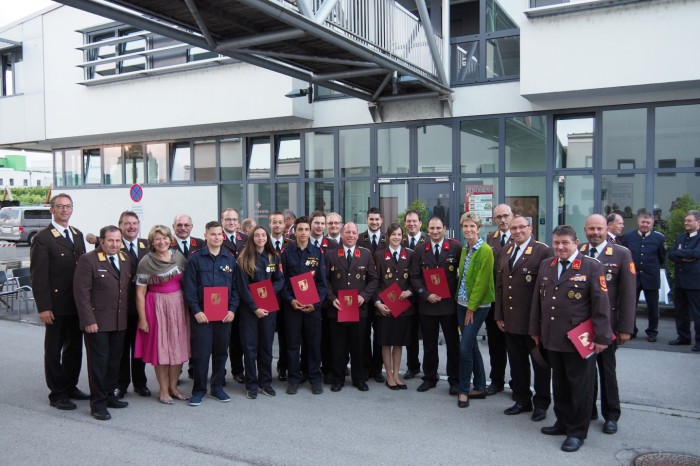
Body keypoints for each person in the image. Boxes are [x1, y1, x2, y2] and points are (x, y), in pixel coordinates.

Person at [530, 225, 612, 453]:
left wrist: (602, 336)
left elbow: (601, 305)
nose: (560, 247)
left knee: (580, 387)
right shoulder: (547, 265)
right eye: (556, 242)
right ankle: (563, 422)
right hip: (552, 337)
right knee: (560, 384)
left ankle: (577, 431)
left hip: (580, 339)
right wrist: (535, 331)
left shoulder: (591, 266)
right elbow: (538, 301)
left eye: (565, 242)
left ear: (576, 243)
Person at [30, 193, 89, 411]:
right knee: (54, 350)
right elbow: (38, 276)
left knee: (74, 348)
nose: (65, 210)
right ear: (51, 209)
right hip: (55, 304)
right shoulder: (43, 238)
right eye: (60, 206)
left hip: (76, 304)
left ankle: (70, 385)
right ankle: (57, 393)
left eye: (68, 206)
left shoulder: (77, 234)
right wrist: (44, 307)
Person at [580, 214, 636, 434]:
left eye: (599, 229)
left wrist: (625, 328)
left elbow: (628, 294)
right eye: (591, 229)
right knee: (585, 371)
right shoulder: (581, 252)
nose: (595, 233)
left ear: (607, 229)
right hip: (583, 327)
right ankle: (589, 409)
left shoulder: (621, 254)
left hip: (608, 326)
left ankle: (611, 414)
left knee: (607, 370)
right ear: (585, 230)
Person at [494, 215, 552, 420]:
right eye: (514, 228)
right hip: (510, 320)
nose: (517, 231)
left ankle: (542, 403)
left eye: (521, 227)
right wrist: (499, 315)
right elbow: (500, 285)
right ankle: (522, 400)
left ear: (530, 228)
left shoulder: (543, 251)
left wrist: (542, 321)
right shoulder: (506, 250)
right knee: (517, 363)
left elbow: (547, 289)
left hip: (532, 321)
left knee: (540, 364)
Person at [73, 225, 130, 420]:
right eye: (111, 240)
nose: (114, 244)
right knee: (99, 363)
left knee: (114, 362)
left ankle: (109, 396)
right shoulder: (88, 260)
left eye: (117, 240)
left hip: (119, 322)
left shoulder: (124, 258)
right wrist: (88, 320)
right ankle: (98, 404)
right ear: (102, 241)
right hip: (97, 323)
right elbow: (81, 294)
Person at [183, 221, 240, 406]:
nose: (217, 237)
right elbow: (189, 289)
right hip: (203, 316)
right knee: (201, 354)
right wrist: (196, 311)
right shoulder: (195, 258)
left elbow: (236, 289)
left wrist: (232, 309)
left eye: (219, 234)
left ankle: (217, 388)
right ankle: (199, 390)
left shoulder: (230, 259)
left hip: (224, 316)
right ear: (206, 235)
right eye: (213, 234)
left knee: (221, 353)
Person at [134, 225, 191, 405]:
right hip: (156, 306)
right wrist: (143, 319)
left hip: (179, 306)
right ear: (152, 242)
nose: (162, 241)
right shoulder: (145, 262)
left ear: (170, 239)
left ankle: (174, 387)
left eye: (165, 238)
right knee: (162, 350)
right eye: (157, 239)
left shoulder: (178, 257)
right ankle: (163, 390)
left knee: (178, 348)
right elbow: (140, 293)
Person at [410, 216, 462, 395]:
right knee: (430, 344)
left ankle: (454, 380)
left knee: (453, 344)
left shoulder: (455, 247)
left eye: (438, 228)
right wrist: (426, 295)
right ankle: (430, 377)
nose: (435, 231)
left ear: (444, 228)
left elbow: (461, 275)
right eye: (432, 228)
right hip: (428, 305)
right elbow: (414, 277)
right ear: (427, 229)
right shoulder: (419, 249)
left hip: (449, 306)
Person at [325, 222, 379, 392]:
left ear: (357, 235)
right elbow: (324, 280)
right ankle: (338, 378)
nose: (350, 235)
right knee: (338, 346)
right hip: (338, 309)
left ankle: (359, 378)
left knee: (359, 346)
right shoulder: (331, 254)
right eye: (347, 232)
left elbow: (374, 279)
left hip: (359, 309)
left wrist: (364, 296)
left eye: (353, 232)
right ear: (341, 235)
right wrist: (332, 298)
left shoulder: (365, 254)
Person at [280, 216, 328, 395]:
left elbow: (322, 284)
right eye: (300, 229)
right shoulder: (286, 253)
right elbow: (282, 281)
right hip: (293, 307)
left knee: (313, 344)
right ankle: (293, 378)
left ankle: (315, 377)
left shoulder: (317, 253)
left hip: (312, 308)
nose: (303, 233)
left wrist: (315, 304)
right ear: (295, 231)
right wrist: (291, 300)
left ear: (310, 231)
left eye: (306, 230)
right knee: (293, 345)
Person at [237, 226, 284, 399]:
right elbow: (242, 288)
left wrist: (271, 291)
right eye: (257, 235)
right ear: (252, 238)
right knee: (250, 349)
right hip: (250, 311)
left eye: (263, 235)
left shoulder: (273, 257)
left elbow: (280, 280)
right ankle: (251, 384)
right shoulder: (244, 259)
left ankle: (265, 382)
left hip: (269, 308)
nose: (260, 238)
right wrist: (255, 307)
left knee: (266, 347)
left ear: (267, 237)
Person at [454, 213, 495, 408]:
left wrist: (471, 308)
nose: (468, 230)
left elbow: (482, 282)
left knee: (464, 347)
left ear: (479, 229)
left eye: (472, 226)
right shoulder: (465, 249)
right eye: (465, 226)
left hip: (477, 307)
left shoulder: (485, 250)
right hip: (461, 304)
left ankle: (464, 389)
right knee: (472, 346)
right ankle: (480, 386)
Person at [373, 223, 414, 390]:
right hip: (386, 307)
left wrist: (411, 291)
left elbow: (416, 277)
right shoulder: (379, 255)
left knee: (399, 342)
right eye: (393, 234)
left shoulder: (410, 254)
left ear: (402, 236)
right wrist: (377, 303)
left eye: (399, 234)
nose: (396, 237)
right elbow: (374, 281)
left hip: (404, 307)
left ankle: (396, 374)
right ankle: (388, 375)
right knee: (386, 342)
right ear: (387, 237)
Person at [115, 211, 151, 399]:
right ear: (120, 225)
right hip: (120, 306)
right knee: (121, 348)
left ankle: (140, 383)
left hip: (142, 307)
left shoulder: (146, 245)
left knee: (139, 347)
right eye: (127, 223)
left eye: (135, 223)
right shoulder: (113, 244)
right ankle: (121, 384)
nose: (131, 227)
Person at [622, 211, 666, 342]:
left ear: (652, 223)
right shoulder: (629, 237)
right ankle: (631, 330)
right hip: (633, 277)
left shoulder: (659, 238)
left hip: (651, 277)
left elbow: (662, 257)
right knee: (630, 306)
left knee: (653, 307)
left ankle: (652, 332)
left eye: (648, 222)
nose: (645, 225)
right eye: (643, 222)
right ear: (638, 222)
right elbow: (624, 257)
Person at [485, 203, 512, 396]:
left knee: (516, 347)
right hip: (495, 301)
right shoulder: (489, 239)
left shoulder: (523, 237)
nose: (502, 220)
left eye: (505, 216)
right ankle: (496, 380)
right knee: (495, 345)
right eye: (499, 217)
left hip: (515, 303)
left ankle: (519, 383)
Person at [358, 207, 386, 383]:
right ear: (367, 220)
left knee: (380, 334)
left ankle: (377, 369)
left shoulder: (388, 239)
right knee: (363, 334)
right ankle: (365, 367)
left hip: (383, 295)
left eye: (377, 219)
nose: (374, 222)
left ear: (381, 221)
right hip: (362, 294)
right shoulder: (359, 238)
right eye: (371, 219)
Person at [221, 208, 248, 385]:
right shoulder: (217, 237)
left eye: (234, 219)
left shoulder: (245, 239)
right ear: (222, 221)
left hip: (244, 294)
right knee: (222, 339)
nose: (231, 222)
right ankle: (219, 373)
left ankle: (238, 370)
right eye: (228, 219)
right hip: (223, 294)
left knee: (239, 336)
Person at [667, 210, 700, 351]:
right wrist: (685, 256)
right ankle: (683, 337)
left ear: (698, 222)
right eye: (685, 220)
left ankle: (699, 341)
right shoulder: (681, 237)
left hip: (695, 281)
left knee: (697, 313)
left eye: (689, 220)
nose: (686, 223)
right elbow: (671, 254)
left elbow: (697, 253)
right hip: (680, 281)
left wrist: (680, 254)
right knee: (680, 311)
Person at [269, 211, 295, 382]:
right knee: (267, 336)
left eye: (280, 222)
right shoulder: (263, 243)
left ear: (285, 225)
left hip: (286, 298)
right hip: (268, 297)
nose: (278, 225)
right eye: (274, 222)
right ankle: (264, 370)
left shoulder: (291, 244)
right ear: (269, 224)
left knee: (287, 336)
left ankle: (283, 367)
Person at [401, 210, 425, 380]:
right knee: (410, 334)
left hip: (424, 295)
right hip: (406, 295)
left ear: (420, 223)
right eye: (408, 221)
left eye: (414, 221)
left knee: (428, 335)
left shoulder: (429, 240)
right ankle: (412, 366)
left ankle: (431, 369)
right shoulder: (399, 240)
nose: (411, 224)